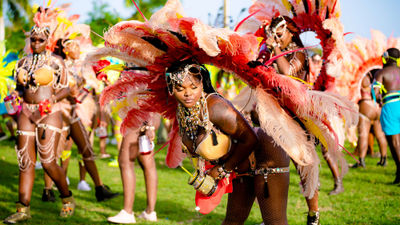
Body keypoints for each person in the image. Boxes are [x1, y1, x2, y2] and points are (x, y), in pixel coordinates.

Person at [3, 24, 75, 223]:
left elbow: (66, 89)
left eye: (40, 40)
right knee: (25, 161)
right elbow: (19, 89)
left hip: (49, 112)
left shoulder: (56, 62)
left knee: (48, 162)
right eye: (33, 39)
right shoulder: (21, 63)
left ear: (48, 41)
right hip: (26, 111)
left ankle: (67, 198)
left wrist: (51, 100)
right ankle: (23, 210)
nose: (35, 43)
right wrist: (14, 95)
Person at [108, 112, 160, 223]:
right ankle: (150, 212)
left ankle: (127, 212)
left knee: (125, 161)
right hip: (147, 119)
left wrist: (150, 126)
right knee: (148, 163)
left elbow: (147, 97)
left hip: (140, 119)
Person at [374, 48, 400, 184]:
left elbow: (376, 93)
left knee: (394, 142)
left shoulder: (381, 73)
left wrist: (379, 99)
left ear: (386, 57)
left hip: (390, 106)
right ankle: (398, 173)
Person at [352, 69, 388, 168]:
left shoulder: (364, 76)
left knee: (363, 135)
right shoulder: (379, 76)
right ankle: (384, 159)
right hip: (378, 107)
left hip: (366, 105)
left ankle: (361, 161)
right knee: (380, 135)